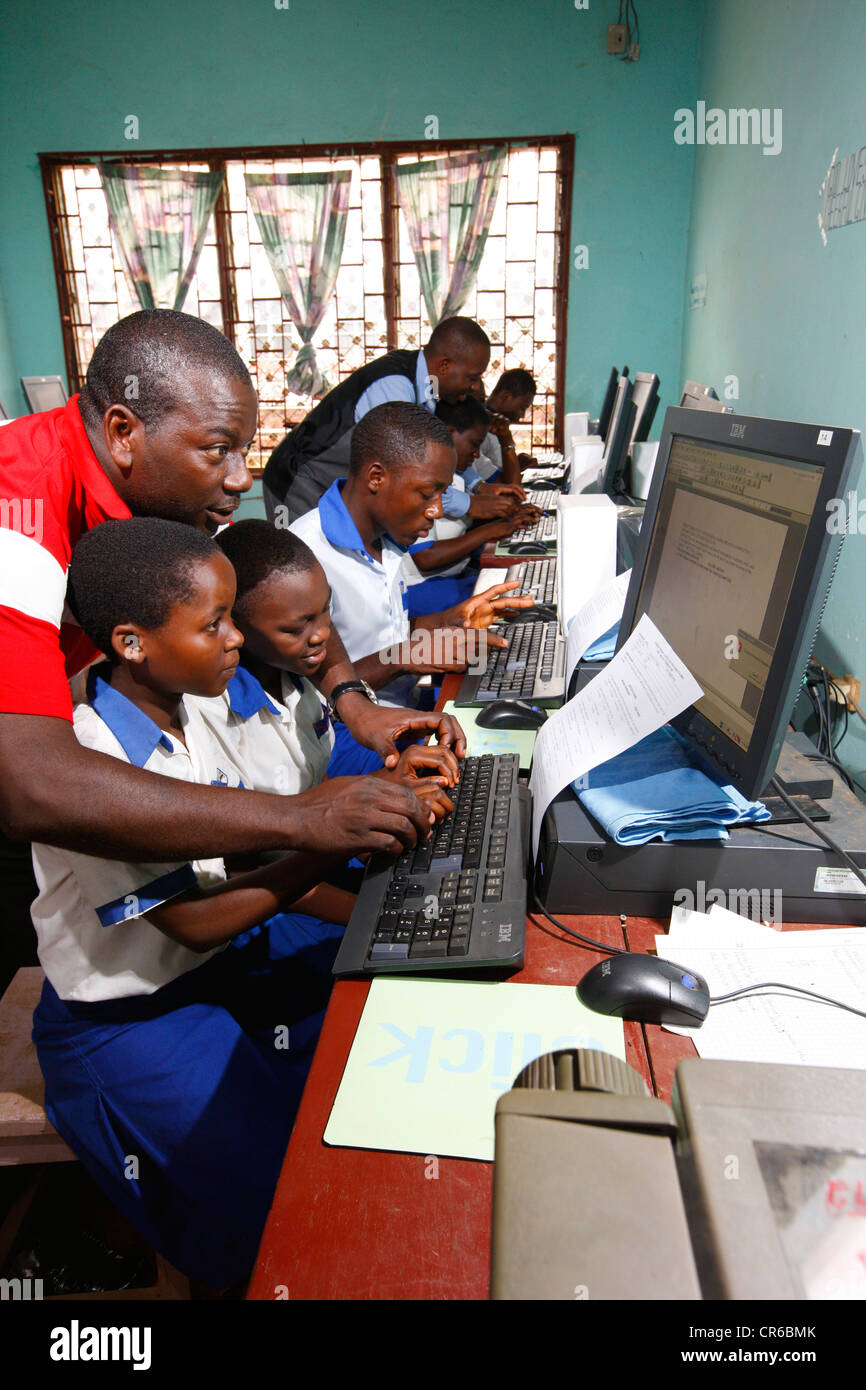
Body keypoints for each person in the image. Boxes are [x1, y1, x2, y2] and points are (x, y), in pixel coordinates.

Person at [32, 518, 449, 1286]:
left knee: (372, 1050)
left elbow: (254, 845)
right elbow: (193, 921)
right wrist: (327, 835)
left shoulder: (187, 698)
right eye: (216, 624)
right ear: (131, 643)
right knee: (282, 1212)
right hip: (128, 1016)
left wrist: (361, 823)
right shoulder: (94, 758)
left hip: (220, 966)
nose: (235, 640)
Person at [0, 309, 463, 981]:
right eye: (218, 449)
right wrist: (301, 818)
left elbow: (269, 592)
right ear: (123, 432)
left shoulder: (156, 490)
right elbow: (32, 785)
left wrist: (355, 704)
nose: (243, 478)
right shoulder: (18, 517)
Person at [289, 401, 533, 746]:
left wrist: (453, 618)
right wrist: (405, 657)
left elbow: (385, 633)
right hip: (339, 736)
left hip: (400, 706)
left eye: (441, 493)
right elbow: (315, 691)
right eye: (426, 493)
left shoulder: (385, 537)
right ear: (377, 478)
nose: (435, 510)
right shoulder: (305, 558)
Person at [263, 315, 521, 525]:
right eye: (472, 377)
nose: (474, 387)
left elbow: (425, 451)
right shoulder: (395, 386)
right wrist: (470, 504)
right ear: (444, 366)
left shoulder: (425, 386)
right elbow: (406, 470)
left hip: (329, 483)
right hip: (296, 480)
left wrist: (478, 486)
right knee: (301, 566)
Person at [406, 396, 540, 616]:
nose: (477, 454)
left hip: (449, 577)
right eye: (474, 445)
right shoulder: (421, 479)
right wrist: (491, 529)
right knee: (510, 601)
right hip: (420, 587)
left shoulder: (458, 475)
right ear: (448, 434)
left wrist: (506, 518)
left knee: (516, 587)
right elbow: (425, 558)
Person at [474, 369, 537, 485]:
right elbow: (508, 485)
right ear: (506, 396)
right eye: (522, 408)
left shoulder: (495, 428)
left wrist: (517, 464)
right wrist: (507, 443)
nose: (522, 415)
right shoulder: (484, 431)